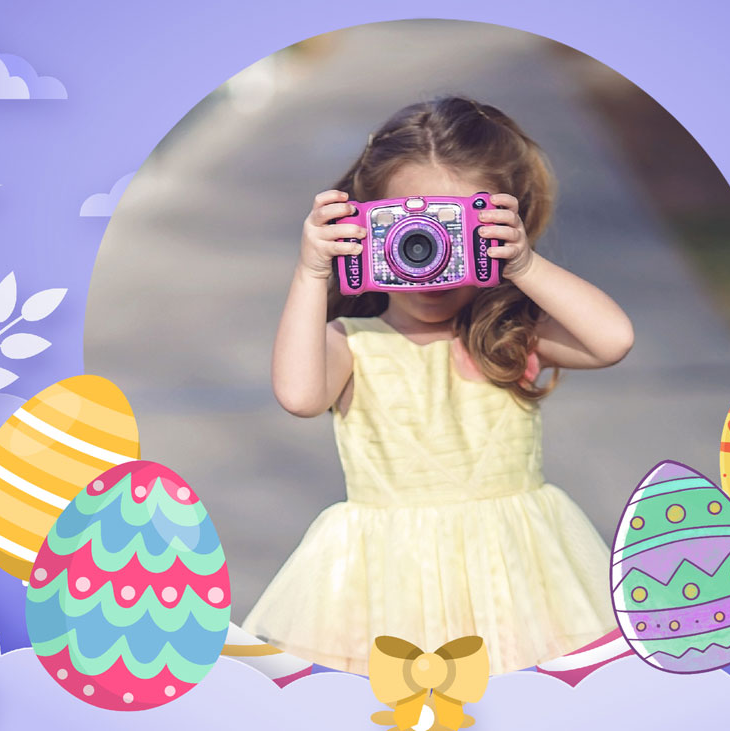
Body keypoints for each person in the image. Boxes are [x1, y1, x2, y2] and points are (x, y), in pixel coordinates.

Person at [242, 96, 634, 675]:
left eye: (453, 231)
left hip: (518, 587)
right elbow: (300, 395)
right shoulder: (350, 342)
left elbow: (613, 339)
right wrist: (311, 271)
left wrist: (522, 264)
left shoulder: (508, 334)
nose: (428, 255)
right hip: (384, 590)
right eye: (405, 231)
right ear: (365, 227)